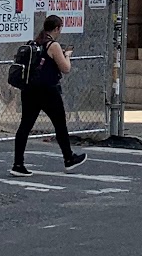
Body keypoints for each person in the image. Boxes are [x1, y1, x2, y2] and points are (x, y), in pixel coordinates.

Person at [12, 13, 87, 174]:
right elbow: (65, 68)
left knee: (25, 126)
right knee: (60, 125)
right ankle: (68, 158)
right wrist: (67, 55)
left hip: (30, 90)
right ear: (57, 28)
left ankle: (18, 164)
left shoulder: (35, 43)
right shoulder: (53, 45)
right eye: (60, 29)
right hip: (48, 91)